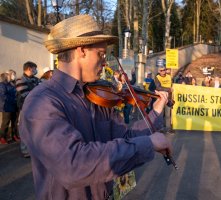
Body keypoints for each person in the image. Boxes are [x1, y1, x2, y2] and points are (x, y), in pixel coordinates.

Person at [19, 15, 172, 199]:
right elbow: (73, 165)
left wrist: (155, 111)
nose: (105, 62)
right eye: (100, 54)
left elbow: (125, 136)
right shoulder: (42, 101)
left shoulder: (97, 96)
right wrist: (147, 144)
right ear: (81, 50)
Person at [16, 61, 40, 157]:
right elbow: (26, 95)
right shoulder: (20, 80)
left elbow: (43, 90)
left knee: (36, 130)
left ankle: (35, 149)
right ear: (30, 69)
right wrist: (38, 94)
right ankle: (25, 150)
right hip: (25, 108)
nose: (36, 70)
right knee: (25, 129)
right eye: (35, 68)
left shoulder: (36, 79)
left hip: (37, 108)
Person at [0, 72, 19, 144]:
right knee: (6, 122)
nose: (12, 76)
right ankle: (2, 137)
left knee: (14, 121)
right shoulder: (2, 85)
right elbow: (3, 95)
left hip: (14, 105)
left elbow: (16, 93)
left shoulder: (12, 84)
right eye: (10, 75)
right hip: (6, 106)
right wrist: (14, 99)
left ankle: (14, 135)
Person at [154, 65, 173, 133]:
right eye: (161, 70)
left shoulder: (169, 77)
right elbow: (158, 87)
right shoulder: (157, 77)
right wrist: (168, 89)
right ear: (159, 71)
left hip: (168, 98)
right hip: (161, 98)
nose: (163, 72)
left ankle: (168, 128)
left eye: (164, 70)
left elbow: (172, 86)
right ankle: (161, 128)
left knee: (168, 114)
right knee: (161, 114)